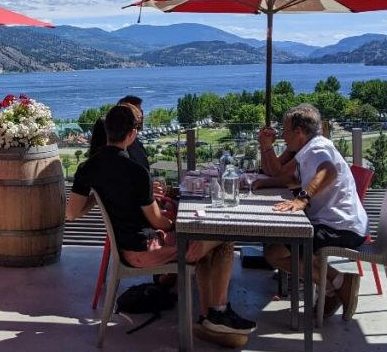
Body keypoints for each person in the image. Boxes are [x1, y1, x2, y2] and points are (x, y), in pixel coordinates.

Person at [67, 104, 256, 336]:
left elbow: (72, 213)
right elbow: (157, 221)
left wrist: (99, 196)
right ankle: (216, 313)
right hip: (145, 250)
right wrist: (176, 225)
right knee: (223, 239)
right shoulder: (136, 172)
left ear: (107, 131)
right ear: (132, 133)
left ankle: (211, 316)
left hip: (127, 249)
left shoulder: (88, 168)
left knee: (205, 245)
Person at [259, 104, 368, 321]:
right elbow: (293, 179)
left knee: (276, 251)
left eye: (285, 131)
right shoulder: (310, 150)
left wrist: (302, 199)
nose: (283, 136)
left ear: (299, 132)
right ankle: (335, 285)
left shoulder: (317, 149)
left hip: (339, 227)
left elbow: (328, 170)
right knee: (274, 250)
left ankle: (336, 285)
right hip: (338, 224)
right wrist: (262, 183)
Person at [117, 95, 150, 172]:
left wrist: (150, 183)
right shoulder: (121, 147)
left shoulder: (136, 142)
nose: (141, 117)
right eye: (137, 114)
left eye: (141, 112)